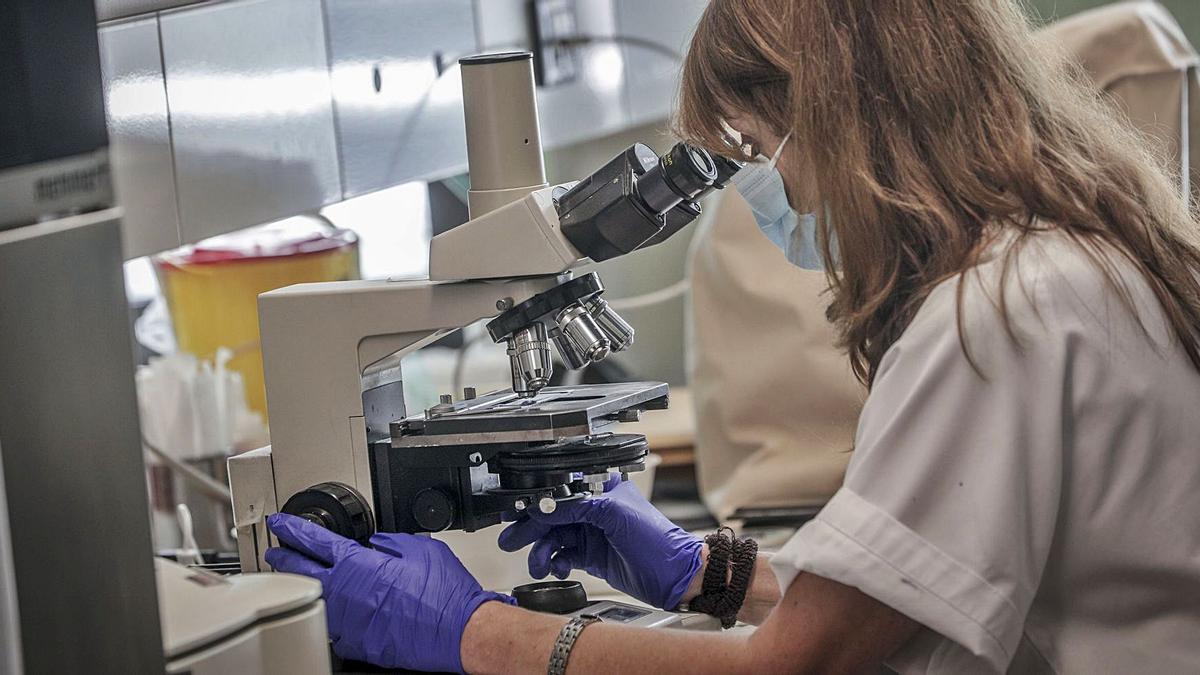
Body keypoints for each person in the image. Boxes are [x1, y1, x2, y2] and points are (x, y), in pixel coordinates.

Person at [265, 0, 1200, 672]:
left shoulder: (997, 317)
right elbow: (889, 608)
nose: (758, 194)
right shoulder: (1066, 258)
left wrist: (473, 633)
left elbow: (802, 667)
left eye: (752, 152)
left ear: (842, 118)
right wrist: (709, 575)